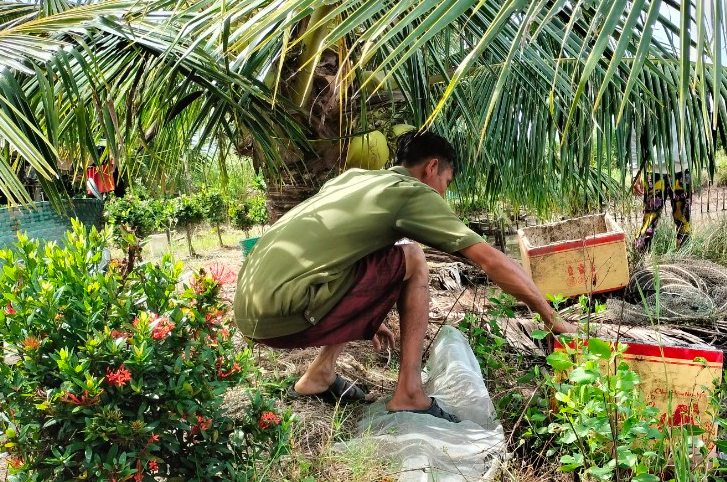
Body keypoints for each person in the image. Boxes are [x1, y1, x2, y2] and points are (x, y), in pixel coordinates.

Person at [233, 133, 576, 421]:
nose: (443, 193)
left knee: (383, 255)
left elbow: (344, 254)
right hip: (285, 312)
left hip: (249, 308)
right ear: (431, 168)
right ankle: (410, 391)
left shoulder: (354, 178)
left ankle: (319, 374)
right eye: (446, 182)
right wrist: (551, 317)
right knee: (412, 257)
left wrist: (366, 309)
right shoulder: (414, 192)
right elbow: (490, 260)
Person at [630, 127, 692, 252]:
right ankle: (638, 264)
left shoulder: (686, 106)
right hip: (655, 171)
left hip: (682, 168)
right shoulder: (644, 107)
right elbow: (634, 135)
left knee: (684, 222)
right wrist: (635, 171)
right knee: (649, 222)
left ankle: (684, 265)